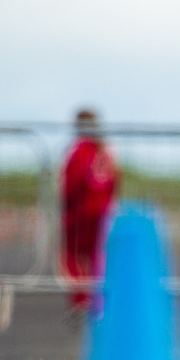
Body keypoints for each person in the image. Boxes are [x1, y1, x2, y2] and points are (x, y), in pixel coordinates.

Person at [58, 108, 120, 324]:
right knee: (96, 257)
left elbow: (71, 184)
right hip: (102, 212)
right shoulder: (105, 151)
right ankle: (98, 300)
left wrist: (66, 208)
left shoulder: (79, 150)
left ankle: (82, 299)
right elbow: (114, 182)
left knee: (72, 256)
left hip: (79, 213)